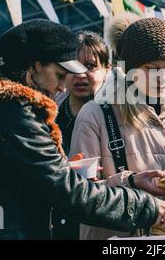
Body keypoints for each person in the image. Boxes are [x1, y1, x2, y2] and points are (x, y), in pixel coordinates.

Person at [0, 19, 165, 239]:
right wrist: (145, 206)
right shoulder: (15, 114)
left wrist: (58, 167)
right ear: (33, 69)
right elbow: (70, 194)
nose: (63, 88)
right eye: (59, 74)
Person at [71, 18, 165, 240]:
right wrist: (130, 182)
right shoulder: (95, 114)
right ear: (129, 68)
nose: (163, 78)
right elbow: (79, 194)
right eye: (152, 69)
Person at [52, 31, 111, 239]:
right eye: (72, 67)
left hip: (104, 221)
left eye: (90, 66)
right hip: (61, 221)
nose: (80, 75)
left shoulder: (117, 117)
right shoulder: (50, 116)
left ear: (107, 70)